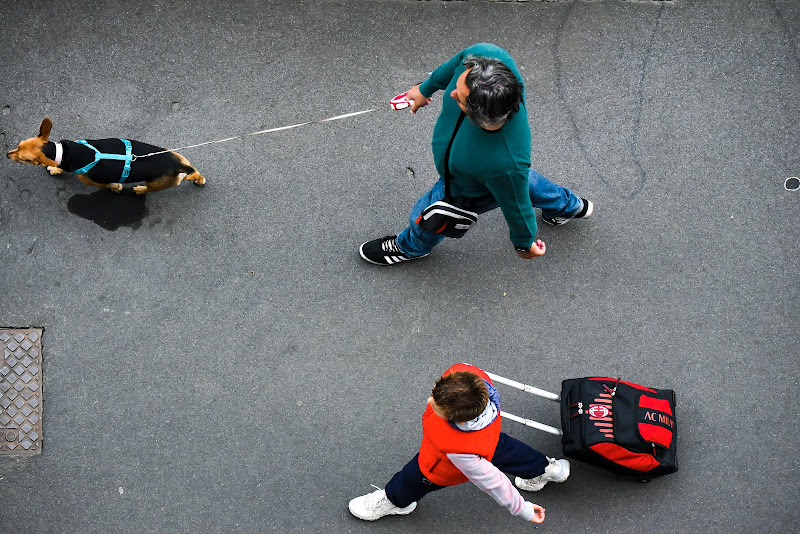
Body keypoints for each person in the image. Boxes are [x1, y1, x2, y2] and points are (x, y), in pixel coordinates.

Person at [359, 43, 593, 265]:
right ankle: (568, 206)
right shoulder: (485, 55)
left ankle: (412, 246)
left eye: (459, 98)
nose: (451, 94)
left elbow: (518, 208)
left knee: (427, 215)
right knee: (518, 181)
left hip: (463, 186)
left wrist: (523, 245)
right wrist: (425, 88)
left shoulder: (503, 164)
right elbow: (455, 64)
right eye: (459, 84)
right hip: (499, 173)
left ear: (481, 117)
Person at [348, 363, 570, 523]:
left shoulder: (461, 450)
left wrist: (523, 510)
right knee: (506, 449)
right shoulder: (470, 377)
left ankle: (396, 501)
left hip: (438, 466)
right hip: (488, 437)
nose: (429, 401)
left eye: (436, 407)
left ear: (459, 420)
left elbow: (493, 483)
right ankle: (548, 470)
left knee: (411, 479)